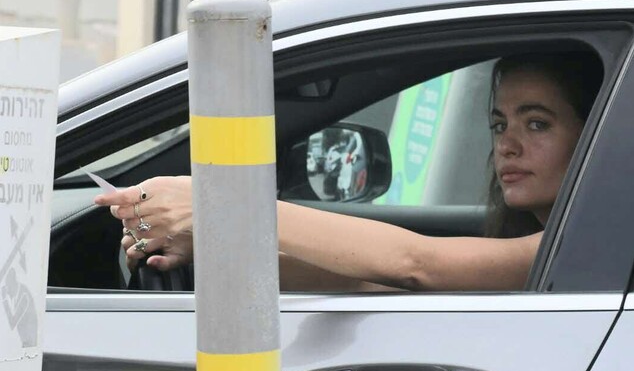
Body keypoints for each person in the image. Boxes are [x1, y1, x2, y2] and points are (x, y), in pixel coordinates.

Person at [95, 52, 603, 292]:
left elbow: (415, 264)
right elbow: (371, 282)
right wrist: (221, 251)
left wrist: (220, 204)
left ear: (597, 134)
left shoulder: (586, 248)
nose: (507, 144)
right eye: (499, 124)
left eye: (537, 123)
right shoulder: (547, 246)